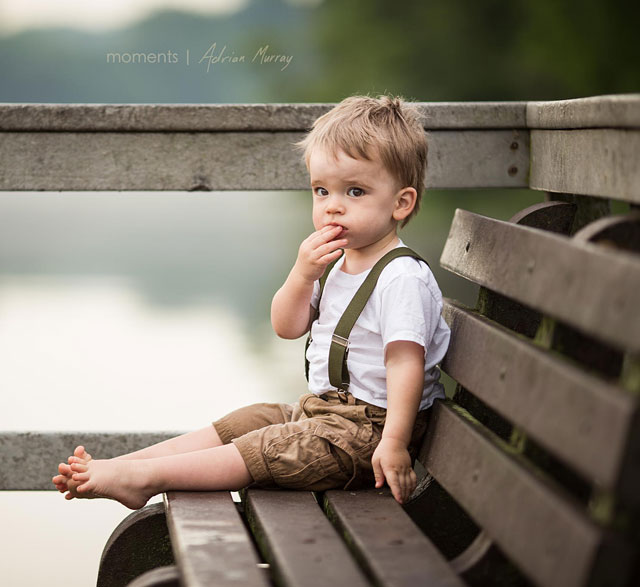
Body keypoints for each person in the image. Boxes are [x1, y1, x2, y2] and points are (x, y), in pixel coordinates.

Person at [52, 95, 450, 509]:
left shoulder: (400, 277)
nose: (332, 205)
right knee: (250, 420)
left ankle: (145, 479)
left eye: (355, 191)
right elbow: (286, 326)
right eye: (321, 190)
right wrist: (301, 275)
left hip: (371, 433)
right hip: (327, 413)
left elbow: (405, 364)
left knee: (269, 443)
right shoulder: (334, 263)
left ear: (401, 202)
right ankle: (126, 466)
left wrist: (394, 443)